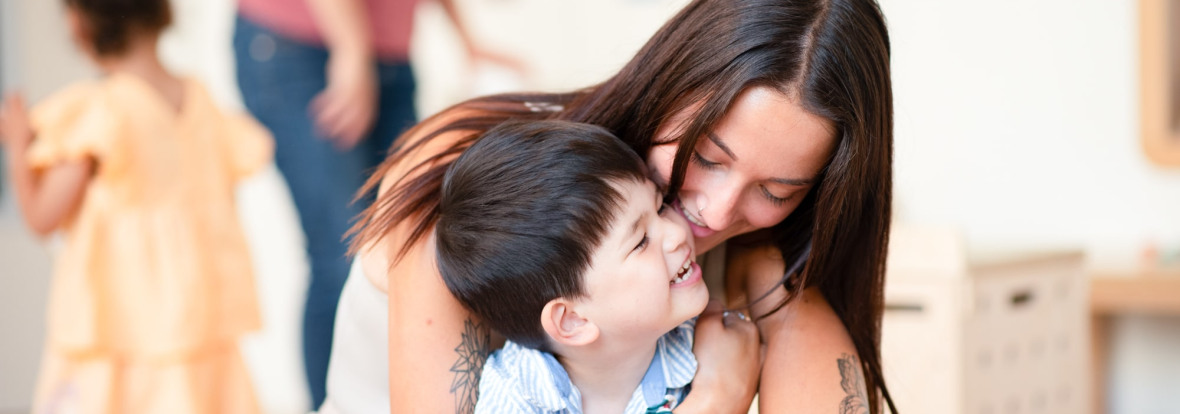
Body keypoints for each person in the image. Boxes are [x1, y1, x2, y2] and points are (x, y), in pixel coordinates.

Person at [345, 0, 897, 412]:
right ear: (666, 85)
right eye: (706, 155)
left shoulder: (758, 258)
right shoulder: (484, 194)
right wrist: (715, 399)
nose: (718, 212)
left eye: (777, 191)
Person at [232, 0, 523, 406]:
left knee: (412, 240)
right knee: (342, 252)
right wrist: (350, 49)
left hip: (388, 55)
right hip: (306, 46)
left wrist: (466, 39)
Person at [0, 0, 272, 412]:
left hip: (120, 327)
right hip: (199, 324)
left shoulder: (102, 110)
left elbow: (41, 217)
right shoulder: (200, 100)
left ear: (79, 24)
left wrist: (18, 149)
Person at [435, 120, 724, 413]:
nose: (676, 233)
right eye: (640, 241)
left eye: (660, 206)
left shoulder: (710, 345)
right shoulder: (518, 398)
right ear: (572, 319)